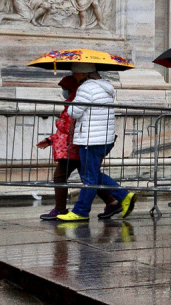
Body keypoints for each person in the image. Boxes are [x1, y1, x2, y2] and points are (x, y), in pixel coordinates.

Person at [57, 64, 135, 222]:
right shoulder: (106, 86)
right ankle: (123, 196)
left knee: (89, 178)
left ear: (84, 73)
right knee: (92, 175)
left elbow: (74, 112)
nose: (74, 76)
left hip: (90, 140)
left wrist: (72, 104)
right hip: (103, 139)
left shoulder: (87, 88)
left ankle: (81, 211)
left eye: (75, 73)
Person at [36, 75, 117, 220]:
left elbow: (68, 126)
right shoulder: (73, 101)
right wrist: (50, 139)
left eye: (65, 88)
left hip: (71, 148)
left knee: (62, 177)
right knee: (90, 178)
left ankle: (63, 209)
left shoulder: (76, 101)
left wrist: (59, 123)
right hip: (73, 146)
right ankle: (112, 201)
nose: (63, 91)